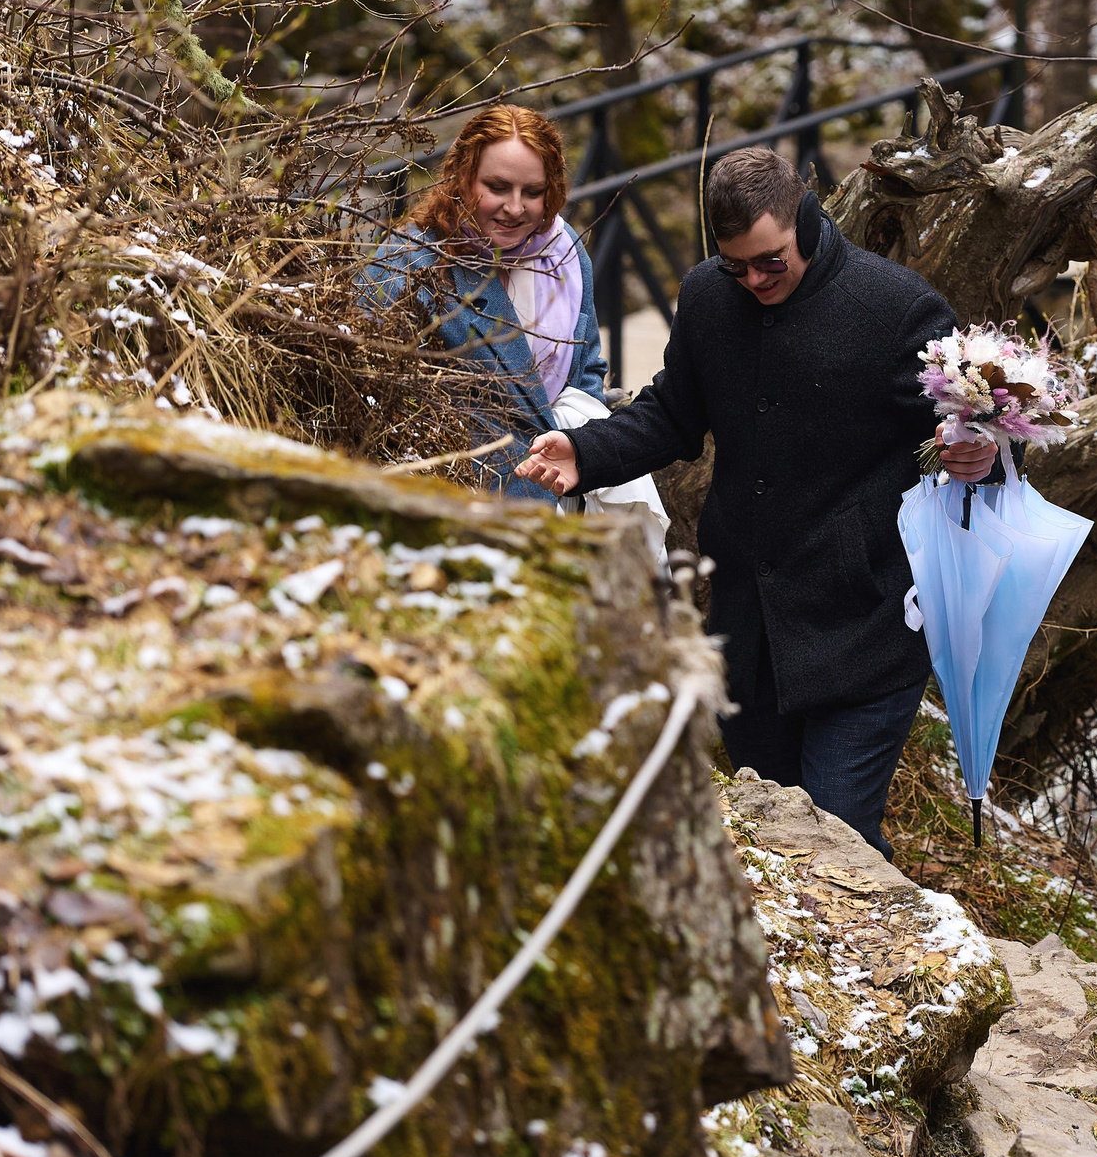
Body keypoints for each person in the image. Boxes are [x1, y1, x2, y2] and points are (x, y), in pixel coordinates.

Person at [517, 147, 995, 856]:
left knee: (838, 841)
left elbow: (980, 423)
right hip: (748, 631)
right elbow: (672, 415)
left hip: (864, 628)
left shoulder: (894, 307)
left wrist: (984, 454)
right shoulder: (709, 297)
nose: (755, 280)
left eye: (771, 261)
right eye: (736, 265)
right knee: (772, 840)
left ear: (806, 220)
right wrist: (585, 454)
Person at [360, 105, 608, 502]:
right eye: (497, 187)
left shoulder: (565, 255)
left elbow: (588, 367)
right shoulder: (406, 264)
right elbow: (368, 394)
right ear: (462, 177)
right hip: (463, 502)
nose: (515, 208)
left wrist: (584, 445)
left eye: (533, 192)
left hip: (566, 493)